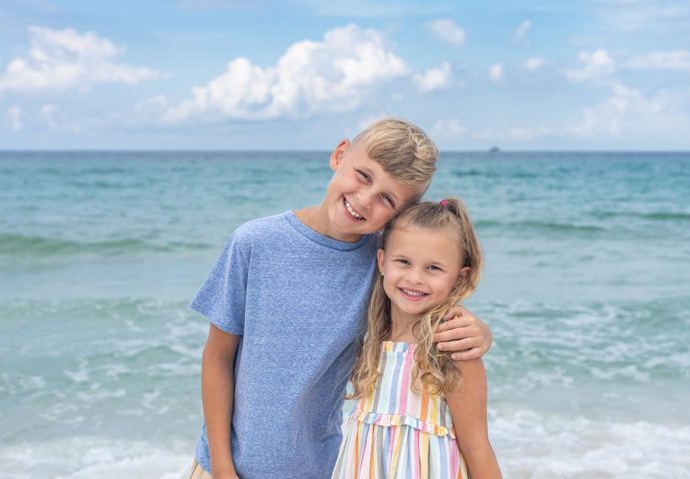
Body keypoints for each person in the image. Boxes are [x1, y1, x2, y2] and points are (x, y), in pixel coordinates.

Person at [186, 118, 493, 479]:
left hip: (321, 469)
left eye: (387, 199)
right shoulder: (253, 243)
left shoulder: (382, 264)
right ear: (340, 154)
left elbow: (424, 299)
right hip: (221, 468)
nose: (364, 199)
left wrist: (479, 331)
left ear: (399, 216)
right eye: (363, 175)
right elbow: (218, 357)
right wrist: (223, 468)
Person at [332, 198, 502, 478]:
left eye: (433, 268)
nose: (414, 278)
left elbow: (477, 447)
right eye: (403, 262)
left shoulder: (451, 350)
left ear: (459, 278)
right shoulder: (369, 340)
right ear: (382, 261)